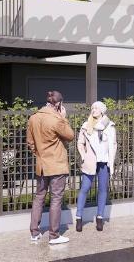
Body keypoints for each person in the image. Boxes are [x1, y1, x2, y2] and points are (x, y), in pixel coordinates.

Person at [26, 90, 75, 244]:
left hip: (41, 165)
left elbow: (30, 143)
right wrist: (63, 118)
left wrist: (39, 154)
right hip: (57, 165)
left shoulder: (33, 118)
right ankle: (54, 235)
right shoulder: (57, 119)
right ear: (59, 104)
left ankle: (34, 232)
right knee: (56, 199)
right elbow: (70, 136)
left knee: (39, 197)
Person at [75, 101, 117, 232]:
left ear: (102, 110)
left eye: (96, 108)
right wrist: (83, 155)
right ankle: (79, 218)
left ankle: (100, 217)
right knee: (84, 188)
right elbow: (80, 143)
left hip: (104, 162)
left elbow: (113, 145)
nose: (94, 110)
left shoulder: (110, 126)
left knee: (103, 190)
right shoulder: (86, 125)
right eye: (92, 108)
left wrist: (112, 161)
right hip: (90, 162)